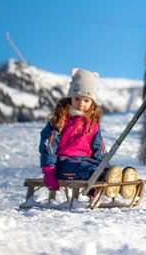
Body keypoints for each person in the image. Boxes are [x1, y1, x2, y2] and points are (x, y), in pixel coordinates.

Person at [39, 68, 138, 199]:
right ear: (70, 97)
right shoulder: (60, 119)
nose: (81, 104)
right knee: (86, 169)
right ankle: (103, 180)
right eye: (77, 99)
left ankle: (118, 182)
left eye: (86, 100)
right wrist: (49, 170)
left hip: (86, 161)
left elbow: (98, 149)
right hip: (63, 163)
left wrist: (103, 165)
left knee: (97, 168)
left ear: (92, 101)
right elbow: (48, 145)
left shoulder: (92, 123)